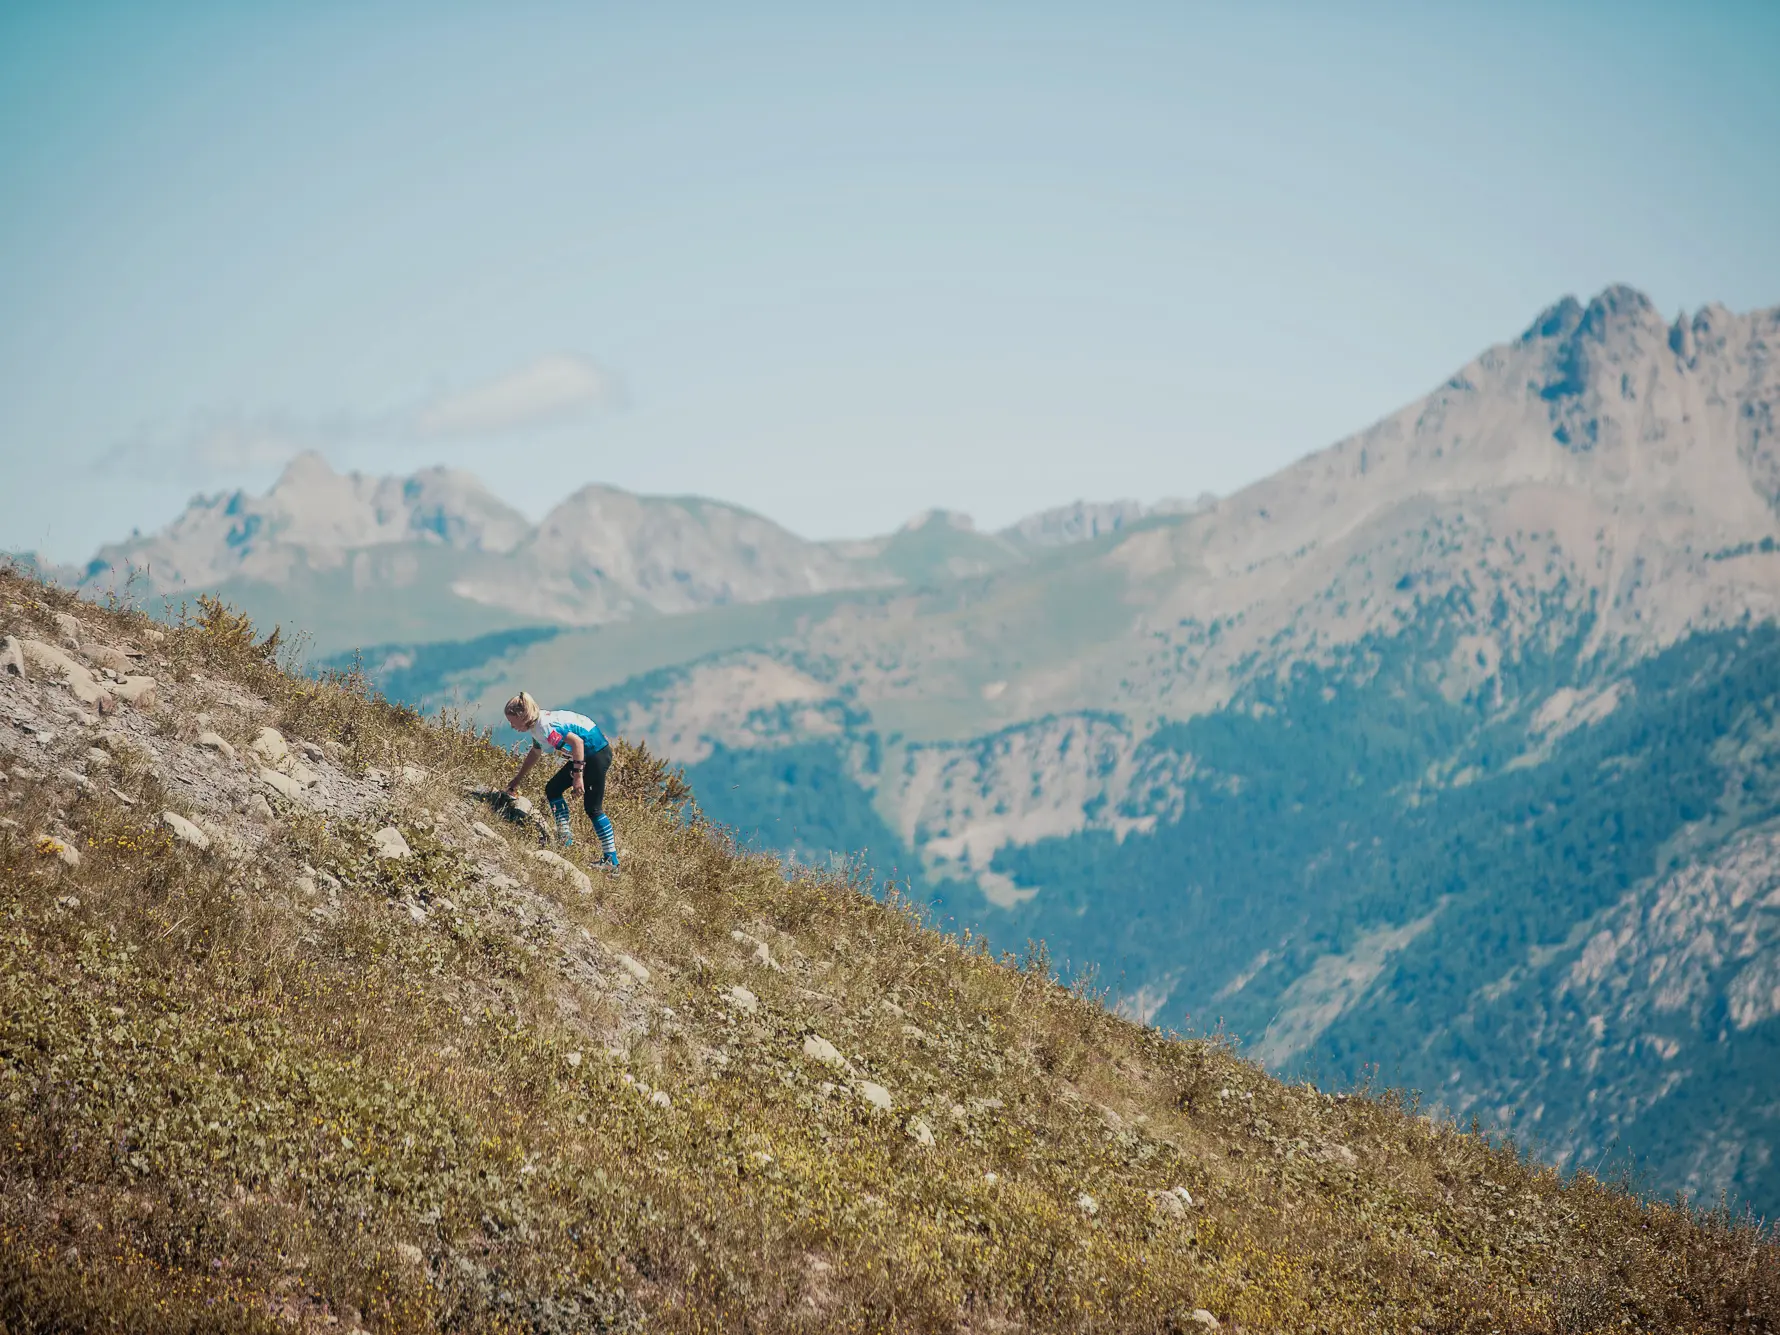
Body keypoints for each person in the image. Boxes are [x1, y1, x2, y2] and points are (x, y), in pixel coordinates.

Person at [501, 691, 619, 871]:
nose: (512, 727)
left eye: (512, 722)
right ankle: (565, 839)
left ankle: (611, 861)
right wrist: (517, 780)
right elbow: (535, 752)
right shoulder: (537, 726)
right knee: (553, 789)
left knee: (593, 808)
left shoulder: (545, 727)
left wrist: (578, 777)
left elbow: (577, 743)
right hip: (585, 756)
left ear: (522, 716)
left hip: (595, 754)